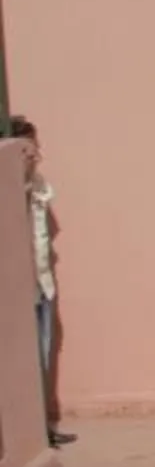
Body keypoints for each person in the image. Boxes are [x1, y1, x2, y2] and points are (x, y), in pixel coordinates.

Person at [11, 117, 65, 447]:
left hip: (41, 286)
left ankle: (41, 431)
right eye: (29, 149)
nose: (35, 155)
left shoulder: (37, 185)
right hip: (19, 292)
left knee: (41, 359)